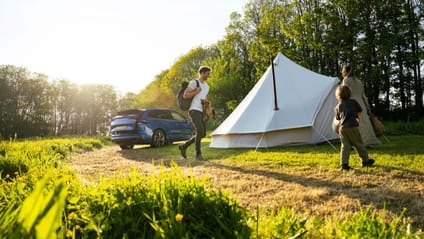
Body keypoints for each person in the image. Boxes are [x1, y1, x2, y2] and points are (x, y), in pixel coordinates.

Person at [335, 84, 375, 171]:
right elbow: (360, 111)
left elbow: (338, 118)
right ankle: (365, 161)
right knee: (359, 144)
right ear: (349, 93)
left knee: (345, 146)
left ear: (338, 95)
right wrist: (358, 119)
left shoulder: (339, 105)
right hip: (352, 127)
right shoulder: (353, 102)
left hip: (342, 128)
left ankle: (344, 164)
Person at [341, 65, 381, 146]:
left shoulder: (346, 81)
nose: (342, 73)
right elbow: (363, 96)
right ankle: (368, 141)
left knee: (353, 124)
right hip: (361, 103)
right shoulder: (359, 82)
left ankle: (356, 142)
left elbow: (344, 93)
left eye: (343, 72)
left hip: (350, 103)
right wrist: (367, 107)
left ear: (346, 72)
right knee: (364, 123)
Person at [178, 66, 211, 160]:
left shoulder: (207, 86)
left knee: (203, 133)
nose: (209, 75)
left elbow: (204, 98)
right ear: (202, 73)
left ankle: (184, 146)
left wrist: (206, 103)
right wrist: (196, 92)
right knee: (200, 131)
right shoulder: (194, 82)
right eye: (207, 73)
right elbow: (185, 95)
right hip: (193, 110)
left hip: (201, 110)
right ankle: (198, 155)